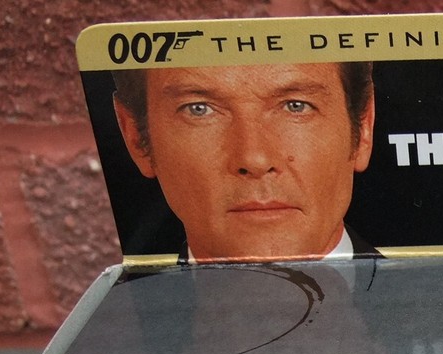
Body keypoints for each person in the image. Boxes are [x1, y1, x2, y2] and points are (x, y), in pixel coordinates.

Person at [112, 62, 375, 263]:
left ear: (363, 127)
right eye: (198, 109)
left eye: (296, 106)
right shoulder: (107, 317)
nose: (254, 159)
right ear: (136, 138)